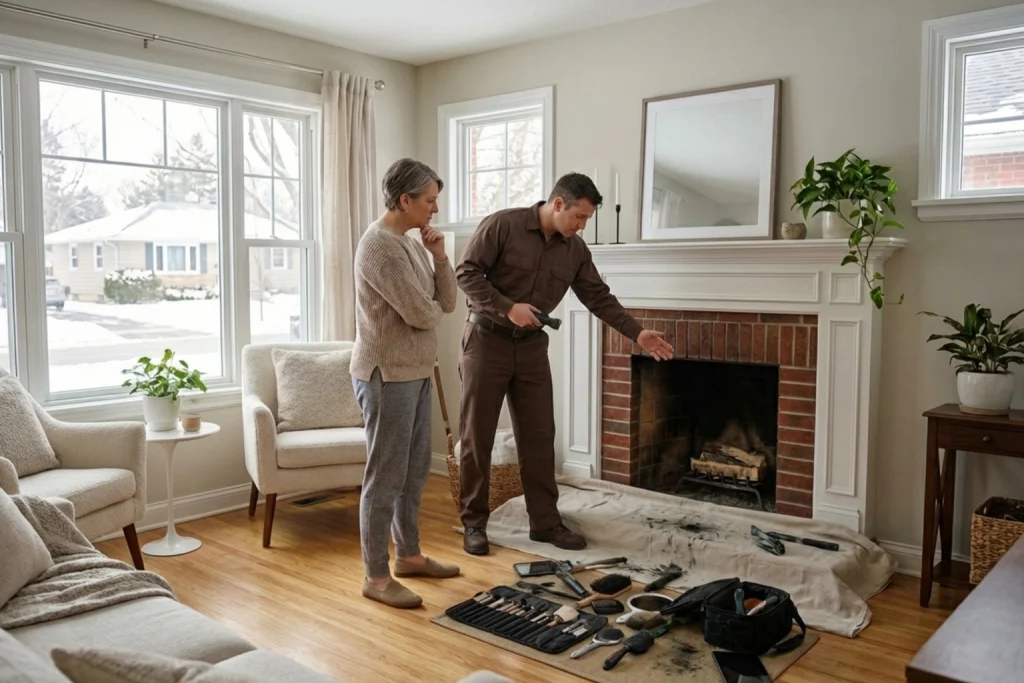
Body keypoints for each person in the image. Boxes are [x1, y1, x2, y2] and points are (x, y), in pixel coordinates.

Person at [455, 172, 674, 556]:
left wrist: (637, 333)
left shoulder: (574, 249)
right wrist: (509, 308)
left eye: (587, 220)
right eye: (579, 217)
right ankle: (474, 523)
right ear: (559, 204)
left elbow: (598, 297)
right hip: (486, 341)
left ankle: (544, 523)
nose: (582, 226)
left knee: (540, 437)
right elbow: (466, 273)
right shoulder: (502, 225)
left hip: (531, 349)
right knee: (478, 437)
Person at [350, 158, 459, 608]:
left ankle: (409, 555)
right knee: (385, 476)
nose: (434, 209)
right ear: (405, 200)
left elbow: (447, 302)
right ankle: (375, 577)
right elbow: (422, 314)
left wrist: (440, 257)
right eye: (429, 201)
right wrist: (430, 307)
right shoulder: (380, 248)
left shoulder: (413, 244)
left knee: (414, 473)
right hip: (386, 375)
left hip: (415, 372)